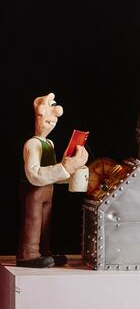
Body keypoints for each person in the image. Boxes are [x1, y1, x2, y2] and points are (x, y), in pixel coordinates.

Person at [18, 93, 88, 267]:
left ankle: (43, 251)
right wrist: (64, 168)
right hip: (34, 190)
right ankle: (28, 253)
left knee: (45, 222)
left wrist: (71, 172)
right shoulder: (32, 144)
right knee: (33, 221)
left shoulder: (49, 143)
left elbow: (52, 172)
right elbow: (33, 173)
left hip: (48, 189)